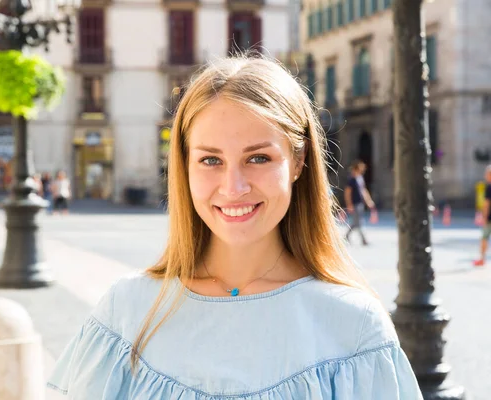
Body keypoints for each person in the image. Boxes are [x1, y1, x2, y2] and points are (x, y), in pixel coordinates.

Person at [48, 56, 422, 399]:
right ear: (185, 166)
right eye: (211, 159)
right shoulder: (126, 312)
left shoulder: (355, 328)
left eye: (258, 158)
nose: (233, 187)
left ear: (298, 160)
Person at [344, 160, 375, 245]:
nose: (363, 169)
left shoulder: (360, 178)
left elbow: (363, 190)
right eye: (361, 168)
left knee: (355, 222)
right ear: (356, 168)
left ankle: (346, 237)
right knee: (359, 222)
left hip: (360, 203)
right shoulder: (351, 179)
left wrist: (368, 201)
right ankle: (364, 240)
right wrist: (349, 204)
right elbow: (347, 192)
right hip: (354, 203)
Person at [474, 165, 491, 266]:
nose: (485, 176)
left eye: (487, 174)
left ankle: (482, 259)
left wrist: (484, 217)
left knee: (484, 237)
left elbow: (487, 204)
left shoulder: (489, 187)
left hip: (489, 218)